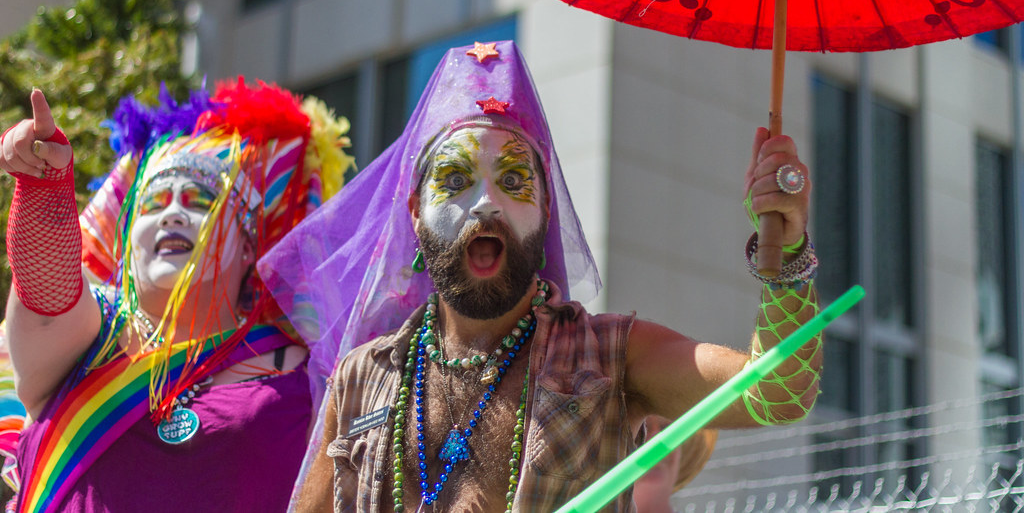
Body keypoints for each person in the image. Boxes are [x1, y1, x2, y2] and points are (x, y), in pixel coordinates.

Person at [259, 40, 822, 512]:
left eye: (513, 180)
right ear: (413, 211)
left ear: (548, 209)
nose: (486, 206)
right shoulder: (363, 378)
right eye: (454, 180)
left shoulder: (611, 356)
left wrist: (789, 250)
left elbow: (778, 390)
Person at [0, 80, 353, 513]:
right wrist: (45, 186)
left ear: (248, 247)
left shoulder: (309, 372)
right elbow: (46, 299)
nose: (172, 214)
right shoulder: (91, 335)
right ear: (127, 240)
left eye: (199, 201)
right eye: (153, 204)